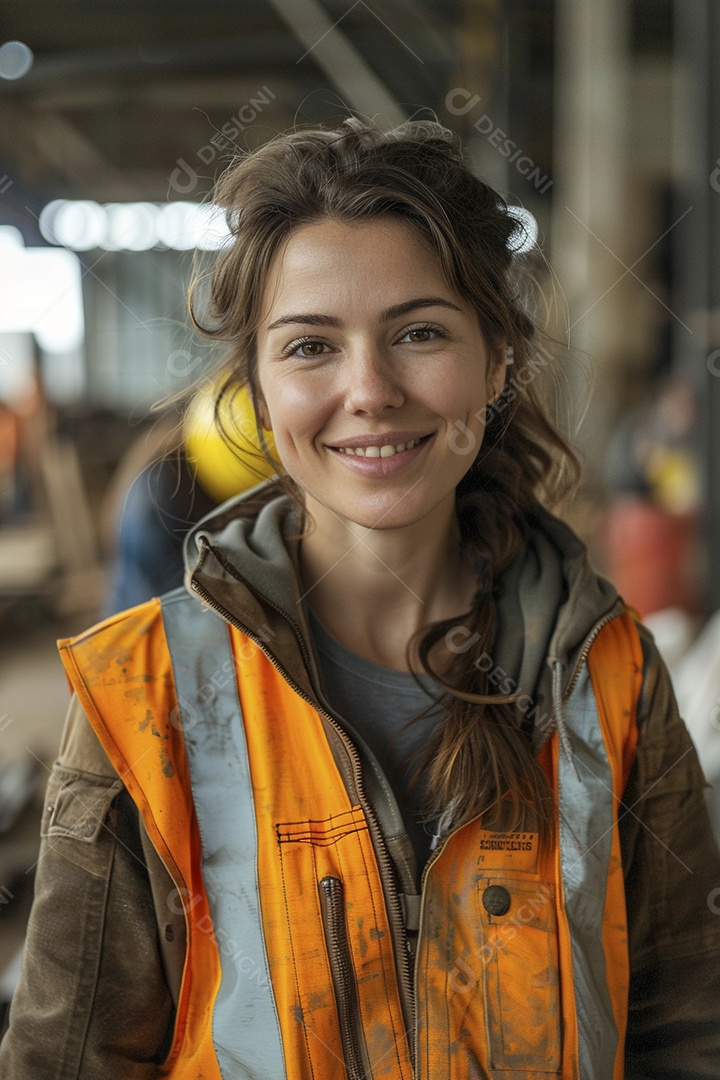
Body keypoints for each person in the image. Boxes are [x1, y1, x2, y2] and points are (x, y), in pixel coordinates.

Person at [1, 118, 719, 1080]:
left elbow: (686, 1030)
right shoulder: (147, 694)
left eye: (419, 333)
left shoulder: (610, 674)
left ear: (497, 362)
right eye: (310, 347)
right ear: (255, 391)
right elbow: (66, 1059)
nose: (370, 390)